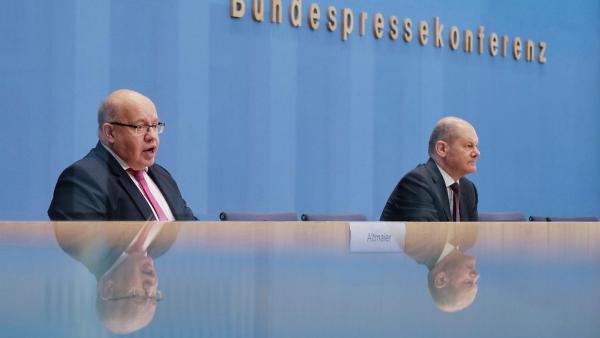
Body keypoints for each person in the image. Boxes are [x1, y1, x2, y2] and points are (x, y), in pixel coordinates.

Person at [48, 89, 196, 221]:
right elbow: (83, 245)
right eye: (140, 127)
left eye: (155, 126)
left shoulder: (162, 176)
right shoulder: (81, 180)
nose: (152, 136)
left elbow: (192, 233)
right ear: (110, 133)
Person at [54, 221, 181, 334]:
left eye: (139, 296)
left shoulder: (78, 239)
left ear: (109, 289)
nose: (151, 285)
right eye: (154, 296)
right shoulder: (163, 244)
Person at [380, 116, 480, 221]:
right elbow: (427, 236)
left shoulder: (468, 189)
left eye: (476, 146)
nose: (477, 153)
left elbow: (471, 236)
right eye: (469, 145)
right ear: (442, 149)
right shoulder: (417, 183)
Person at [403, 223, 480, 312]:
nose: (476, 275)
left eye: (468, 282)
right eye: (475, 282)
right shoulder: (469, 239)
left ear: (441, 279)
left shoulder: (415, 244)